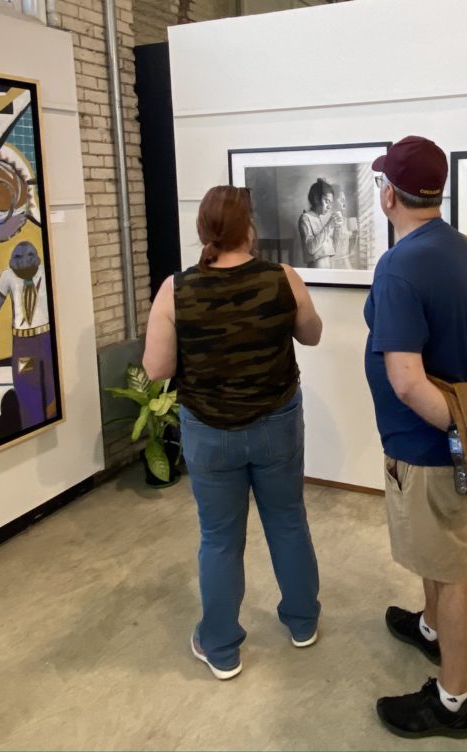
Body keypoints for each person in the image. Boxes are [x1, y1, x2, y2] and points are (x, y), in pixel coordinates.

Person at [364, 136, 467, 739]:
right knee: (439, 550)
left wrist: (465, 430)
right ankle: (430, 628)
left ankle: (453, 703)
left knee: (452, 567)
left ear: (390, 195)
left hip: (428, 450)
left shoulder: (399, 266)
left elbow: (407, 381)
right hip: (453, 445)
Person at [142, 185, 324, 680]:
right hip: (277, 424)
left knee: (220, 539)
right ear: (249, 228)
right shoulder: (282, 277)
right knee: (288, 521)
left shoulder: (175, 290)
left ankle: (221, 647)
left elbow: (156, 368)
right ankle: (302, 622)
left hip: (209, 432)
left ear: (204, 230)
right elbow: (312, 334)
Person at [0, 241, 57, 429]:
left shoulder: (46, 271)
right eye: (19, 257)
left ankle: (54, 426)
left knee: (52, 385)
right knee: (27, 387)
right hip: (24, 344)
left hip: (47, 339)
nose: (25, 260)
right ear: (12, 261)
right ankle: (33, 427)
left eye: (30, 255)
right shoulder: (7, 276)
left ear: (37, 257)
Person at [297, 177, 341, 268]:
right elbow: (310, 249)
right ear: (316, 199)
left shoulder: (319, 219)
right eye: (327, 201)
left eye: (330, 203)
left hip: (328, 271)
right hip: (316, 272)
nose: (329, 206)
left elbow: (332, 250)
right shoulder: (305, 218)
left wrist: (337, 228)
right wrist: (329, 225)